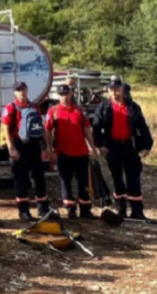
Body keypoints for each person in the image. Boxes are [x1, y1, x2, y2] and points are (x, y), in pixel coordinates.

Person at [92, 76, 154, 220]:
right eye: (112, 90)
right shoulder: (103, 107)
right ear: (108, 91)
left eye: (117, 89)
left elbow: (143, 127)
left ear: (122, 90)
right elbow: (96, 128)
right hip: (112, 147)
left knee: (134, 179)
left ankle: (137, 212)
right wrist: (100, 145)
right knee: (117, 179)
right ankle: (121, 210)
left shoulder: (133, 107)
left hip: (130, 146)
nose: (115, 93)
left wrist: (146, 145)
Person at [44, 85, 98, 220]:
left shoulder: (79, 110)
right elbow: (47, 132)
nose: (65, 97)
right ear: (58, 96)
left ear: (71, 94)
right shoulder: (53, 111)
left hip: (81, 153)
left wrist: (93, 147)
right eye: (62, 94)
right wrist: (50, 150)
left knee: (83, 183)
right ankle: (70, 209)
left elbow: (87, 130)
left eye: (67, 94)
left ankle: (85, 210)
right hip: (63, 153)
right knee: (65, 182)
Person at [1, 81, 51, 221]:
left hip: (34, 146)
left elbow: (41, 127)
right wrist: (11, 148)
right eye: (18, 90)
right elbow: (5, 128)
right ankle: (24, 212)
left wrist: (46, 146)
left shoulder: (35, 107)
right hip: (19, 146)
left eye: (23, 89)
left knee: (39, 178)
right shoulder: (11, 107)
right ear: (14, 92)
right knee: (21, 180)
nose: (22, 92)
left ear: (27, 90)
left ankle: (43, 209)